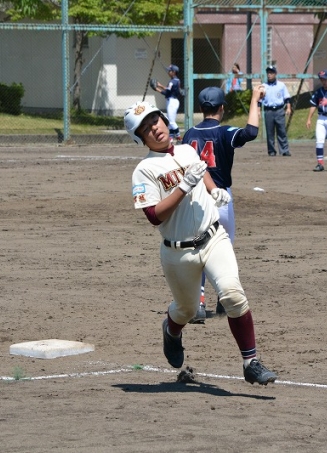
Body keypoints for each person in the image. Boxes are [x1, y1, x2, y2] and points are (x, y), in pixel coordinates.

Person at [125, 99, 278, 386]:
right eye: (145, 129)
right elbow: (154, 216)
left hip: (214, 238)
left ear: (163, 119)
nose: (154, 128)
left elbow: (200, 170)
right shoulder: (144, 170)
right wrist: (183, 187)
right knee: (187, 310)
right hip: (178, 252)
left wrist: (214, 189)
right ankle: (171, 330)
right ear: (141, 139)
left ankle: (251, 362)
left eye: (155, 120)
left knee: (232, 295)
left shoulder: (186, 149)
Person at [182, 84, 266, 322]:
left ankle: (199, 302)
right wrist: (254, 99)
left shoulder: (189, 135)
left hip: (196, 200)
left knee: (198, 250)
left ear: (201, 108)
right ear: (221, 108)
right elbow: (251, 132)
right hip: (221, 199)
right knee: (223, 249)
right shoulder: (224, 132)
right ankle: (224, 296)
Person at [259, 65, 292, 156]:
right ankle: (271, 151)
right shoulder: (263, 86)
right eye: (268, 73)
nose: (269, 75)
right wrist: (258, 111)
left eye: (271, 73)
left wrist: (288, 108)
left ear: (275, 74)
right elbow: (259, 100)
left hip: (279, 110)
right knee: (270, 132)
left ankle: (284, 150)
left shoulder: (281, 85)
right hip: (268, 111)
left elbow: (287, 98)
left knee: (281, 131)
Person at [152, 64, 183, 141]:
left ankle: (179, 138)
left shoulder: (172, 81)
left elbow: (166, 92)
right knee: (170, 121)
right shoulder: (176, 80)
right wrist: (159, 85)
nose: (168, 72)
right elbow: (168, 89)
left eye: (170, 71)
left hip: (172, 102)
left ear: (174, 72)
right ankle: (171, 138)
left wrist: (156, 89)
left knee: (171, 122)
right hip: (173, 101)